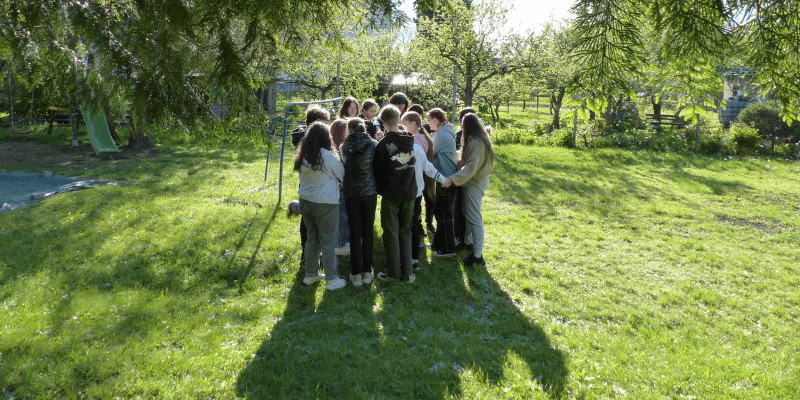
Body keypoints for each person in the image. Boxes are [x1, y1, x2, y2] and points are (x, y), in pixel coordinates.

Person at [295, 122, 347, 290]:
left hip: (306, 202)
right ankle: (332, 279)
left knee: (312, 239)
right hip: (325, 204)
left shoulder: (302, 155)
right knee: (329, 241)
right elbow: (342, 174)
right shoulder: (327, 155)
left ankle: (311, 275)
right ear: (327, 137)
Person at [442, 114, 494, 267]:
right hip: (471, 181)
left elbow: (471, 167)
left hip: (475, 183)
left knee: (474, 217)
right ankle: (468, 243)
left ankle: (477, 255)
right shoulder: (475, 139)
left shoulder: (478, 142)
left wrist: (452, 179)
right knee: (468, 213)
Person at [373, 105, 417, 283]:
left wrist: (381, 190)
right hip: (410, 193)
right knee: (405, 232)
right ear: (399, 119)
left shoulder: (384, 144)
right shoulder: (410, 140)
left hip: (391, 195)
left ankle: (393, 273)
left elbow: (377, 171)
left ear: (383, 122)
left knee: (391, 233)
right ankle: (407, 274)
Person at [401, 111, 446, 270]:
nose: (402, 126)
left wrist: (442, 180)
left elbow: (428, 167)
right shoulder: (418, 146)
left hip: (409, 192)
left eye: (404, 123)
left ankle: (409, 257)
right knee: (413, 224)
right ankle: (412, 258)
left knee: (407, 225)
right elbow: (429, 168)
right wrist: (442, 179)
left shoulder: (412, 146)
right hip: (416, 191)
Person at [340, 118, 377, 286]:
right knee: (368, 232)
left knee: (355, 233)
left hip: (351, 193)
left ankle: (355, 274)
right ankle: (367, 272)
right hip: (369, 191)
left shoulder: (343, 147)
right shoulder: (374, 144)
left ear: (350, 130)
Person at [292, 107, 331, 266]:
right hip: (310, 186)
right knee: (308, 222)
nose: (326, 124)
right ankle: (307, 252)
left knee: (316, 223)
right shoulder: (306, 139)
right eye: (324, 121)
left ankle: (317, 254)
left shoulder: (318, 136)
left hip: (317, 186)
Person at [427, 108, 459, 257]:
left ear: (435, 119)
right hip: (446, 177)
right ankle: (439, 243)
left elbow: (430, 154)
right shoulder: (446, 131)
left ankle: (448, 248)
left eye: (428, 120)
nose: (427, 123)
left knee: (444, 214)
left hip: (446, 180)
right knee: (440, 211)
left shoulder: (440, 136)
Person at [408, 103, 436, 234]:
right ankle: (418, 224)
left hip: (424, 170)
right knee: (418, 200)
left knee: (428, 197)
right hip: (419, 171)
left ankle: (428, 223)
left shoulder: (423, 134)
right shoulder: (411, 133)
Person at [330, 118, 351, 256]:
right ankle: (341, 244)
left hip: (341, 186)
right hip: (340, 188)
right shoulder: (339, 148)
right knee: (342, 216)